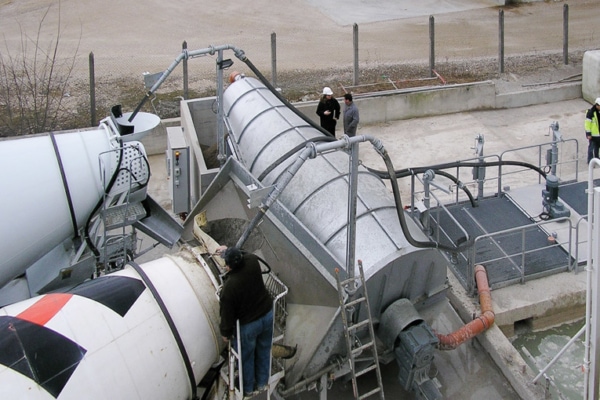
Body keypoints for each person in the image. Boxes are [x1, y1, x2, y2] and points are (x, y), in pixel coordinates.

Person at [218, 246, 273, 398]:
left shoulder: (230, 287)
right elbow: (244, 253)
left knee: (246, 358)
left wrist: (225, 333)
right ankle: (262, 383)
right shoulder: (252, 261)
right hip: (267, 314)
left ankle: (248, 389)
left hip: (249, 325)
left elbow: (227, 314)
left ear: (229, 266)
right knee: (263, 350)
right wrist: (229, 249)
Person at [585, 97, 600, 163]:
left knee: (597, 148)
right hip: (593, 135)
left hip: (599, 135)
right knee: (591, 148)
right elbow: (587, 125)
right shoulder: (591, 113)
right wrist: (588, 134)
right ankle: (590, 161)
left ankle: (597, 158)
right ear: (597, 105)